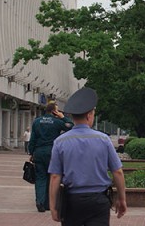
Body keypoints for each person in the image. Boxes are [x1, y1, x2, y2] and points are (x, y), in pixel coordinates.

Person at [48, 87, 127, 224]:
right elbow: (117, 172)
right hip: (98, 201)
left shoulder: (60, 142)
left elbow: (55, 176)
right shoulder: (104, 140)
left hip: (72, 201)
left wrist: (53, 206)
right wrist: (122, 199)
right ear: (89, 115)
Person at [28, 102, 73, 212]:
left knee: (40, 178)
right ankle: (48, 204)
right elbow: (71, 127)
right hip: (53, 153)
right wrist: (63, 117)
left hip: (39, 152)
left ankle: (40, 201)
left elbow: (32, 139)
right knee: (52, 177)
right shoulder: (57, 122)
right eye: (57, 110)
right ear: (54, 111)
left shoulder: (37, 121)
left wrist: (31, 152)